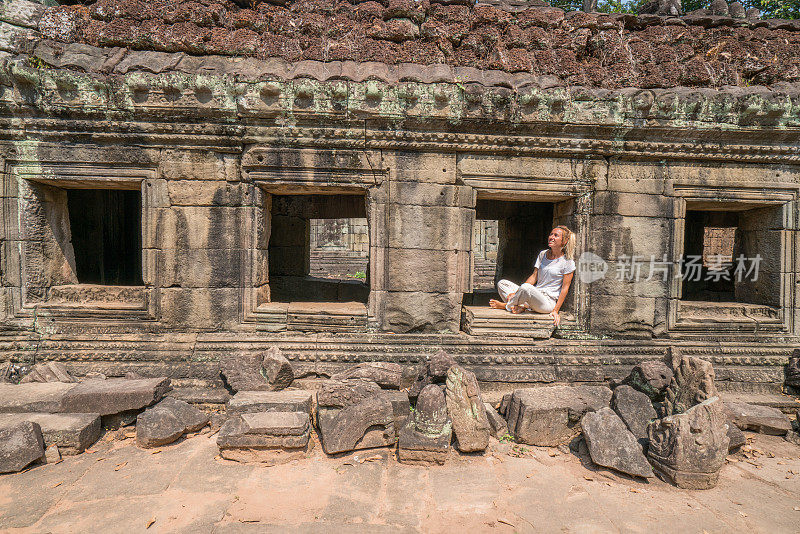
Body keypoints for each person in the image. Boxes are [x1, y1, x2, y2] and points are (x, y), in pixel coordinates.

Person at [489, 225, 576, 326]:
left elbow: (565, 288)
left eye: (556, 235)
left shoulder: (568, 262)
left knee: (526, 288)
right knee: (502, 283)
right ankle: (520, 305)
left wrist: (555, 311)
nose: (551, 237)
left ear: (564, 241)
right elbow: (534, 276)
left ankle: (506, 305)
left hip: (546, 303)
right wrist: (518, 292)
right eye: (551, 234)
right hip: (535, 295)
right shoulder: (543, 254)